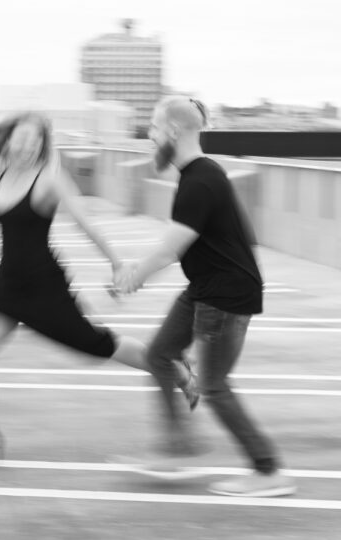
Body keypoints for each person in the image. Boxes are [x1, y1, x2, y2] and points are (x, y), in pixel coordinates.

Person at [0, 111, 197, 468]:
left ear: (43, 145)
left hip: (44, 288)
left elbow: (86, 223)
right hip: (7, 287)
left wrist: (115, 262)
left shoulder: (50, 179)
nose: (27, 145)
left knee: (96, 344)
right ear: (8, 139)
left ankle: (172, 367)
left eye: (35, 140)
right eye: (21, 138)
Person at [114, 96, 296, 498]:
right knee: (160, 355)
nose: (150, 135)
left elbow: (169, 250)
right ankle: (177, 451)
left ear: (174, 132)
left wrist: (133, 278)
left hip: (224, 297)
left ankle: (268, 471)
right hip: (208, 288)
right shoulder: (202, 175)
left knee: (214, 387)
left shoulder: (201, 179)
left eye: (155, 128)